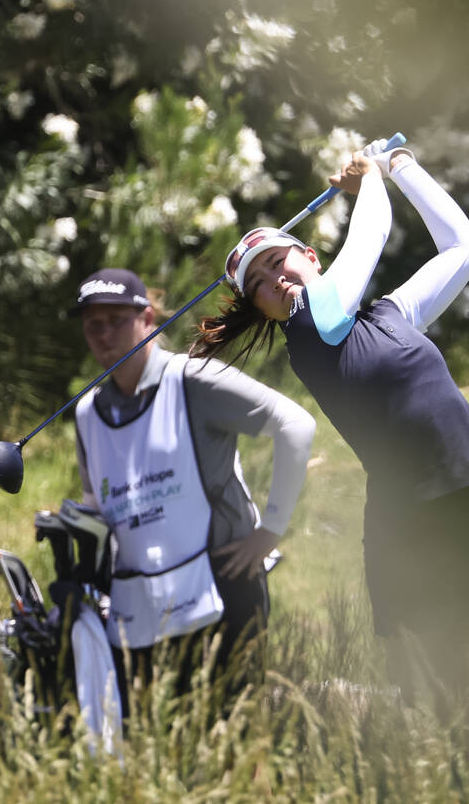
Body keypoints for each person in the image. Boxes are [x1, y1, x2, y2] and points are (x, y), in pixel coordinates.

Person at [191, 141, 469, 696]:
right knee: (431, 697)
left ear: (311, 255)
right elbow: (372, 232)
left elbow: (465, 248)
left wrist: (405, 168)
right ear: (261, 309)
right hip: (412, 527)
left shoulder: (391, 315)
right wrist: (372, 174)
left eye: (279, 261)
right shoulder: (308, 328)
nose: (275, 279)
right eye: (258, 283)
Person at [70, 268, 315, 706]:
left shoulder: (192, 379)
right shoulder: (89, 413)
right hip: (142, 606)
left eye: (116, 320)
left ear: (147, 318)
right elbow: (98, 514)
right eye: (93, 324)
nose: (103, 333)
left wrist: (271, 530)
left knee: (238, 745)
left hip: (223, 585)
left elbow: (295, 424)